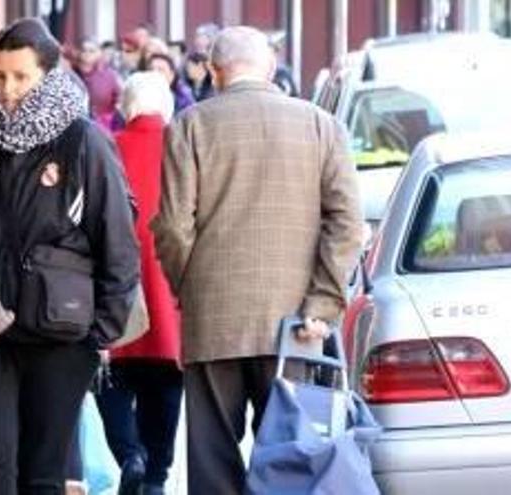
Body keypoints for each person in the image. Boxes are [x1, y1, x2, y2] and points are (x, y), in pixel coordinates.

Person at [150, 26, 363, 495]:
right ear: (270, 67)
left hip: (214, 318)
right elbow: (347, 224)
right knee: (292, 460)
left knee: (212, 465)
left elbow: (170, 226)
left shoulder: (190, 125)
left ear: (214, 70)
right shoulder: (320, 125)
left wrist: (193, 284)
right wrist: (322, 304)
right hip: (296, 325)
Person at [0, 18, 141, 495]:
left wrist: (101, 333)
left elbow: (117, 237)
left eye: (20, 77)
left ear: (48, 76)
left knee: (44, 472)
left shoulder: (83, 141)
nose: (6, 89)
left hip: (62, 334)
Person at [95, 71, 181, 495]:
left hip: (117, 288)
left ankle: (129, 454)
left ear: (125, 108)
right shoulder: (182, 149)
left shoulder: (108, 148)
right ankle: (157, 475)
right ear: (166, 108)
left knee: (112, 381)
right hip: (169, 288)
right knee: (165, 383)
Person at [75, 38, 122, 132]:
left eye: (91, 51)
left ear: (99, 54)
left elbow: (120, 102)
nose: (86, 54)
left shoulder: (110, 76)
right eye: (83, 50)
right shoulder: (71, 75)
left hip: (104, 128)